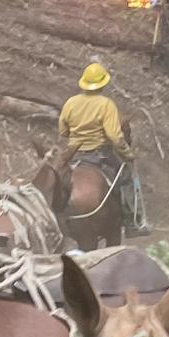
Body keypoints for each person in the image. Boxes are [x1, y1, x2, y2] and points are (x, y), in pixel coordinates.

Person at [55, 62, 145, 230]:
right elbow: (114, 136)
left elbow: (63, 130)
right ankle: (132, 220)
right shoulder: (106, 105)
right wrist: (127, 154)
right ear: (103, 83)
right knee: (125, 177)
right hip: (99, 155)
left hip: (73, 155)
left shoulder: (71, 103)